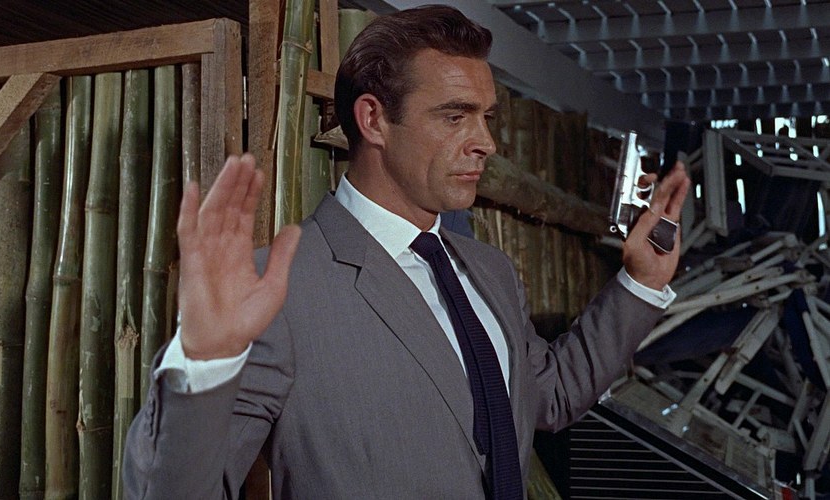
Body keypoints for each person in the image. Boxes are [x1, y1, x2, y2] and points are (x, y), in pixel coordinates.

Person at [124, 5, 690, 499]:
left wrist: (640, 282)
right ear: (374, 120)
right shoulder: (278, 291)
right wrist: (202, 364)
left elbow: (554, 395)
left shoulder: (489, 271)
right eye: (454, 116)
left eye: (486, 117)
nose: (486, 142)